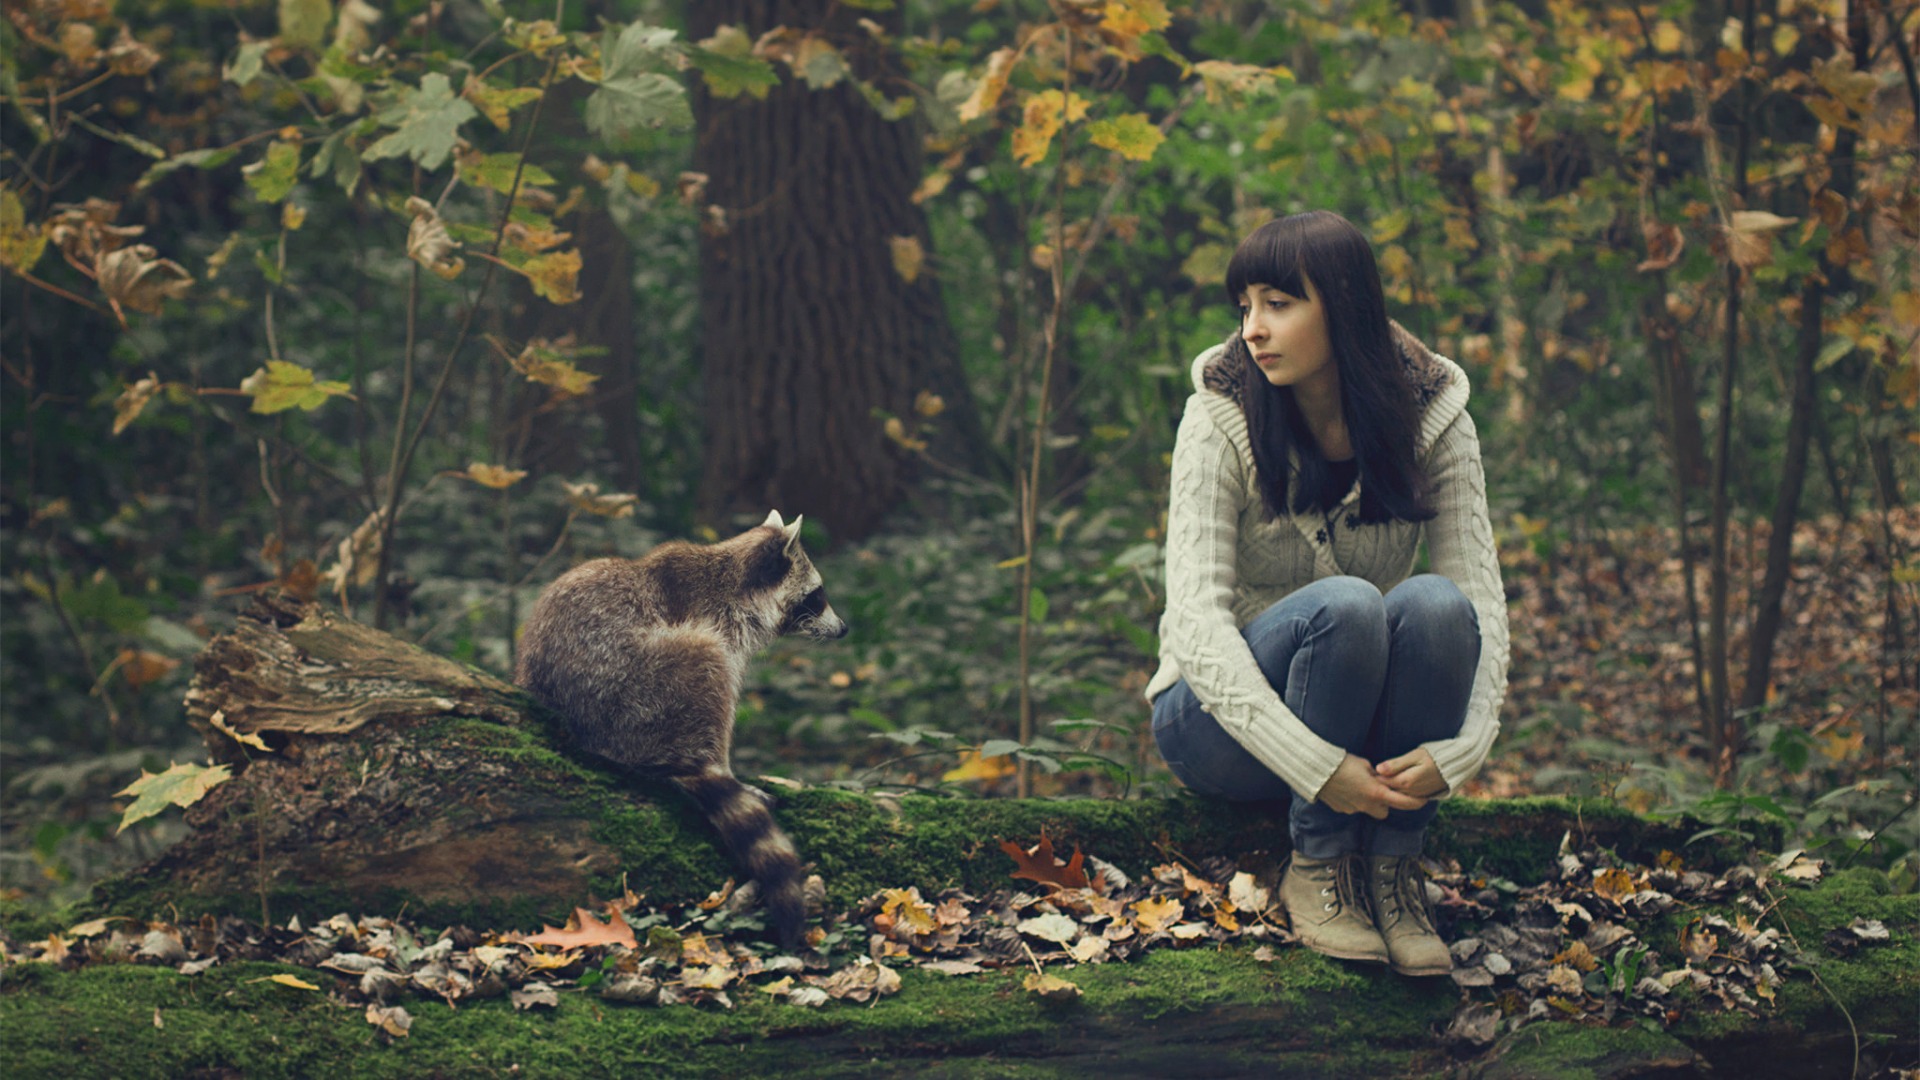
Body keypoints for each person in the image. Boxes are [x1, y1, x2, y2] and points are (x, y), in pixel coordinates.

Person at [1146, 209, 1509, 976]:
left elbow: (1482, 601)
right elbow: (1196, 625)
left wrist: (1466, 746)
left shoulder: (1435, 417)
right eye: (1245, 307)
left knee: (1439, 606)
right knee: (1347, 603)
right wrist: (1314, 766)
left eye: (1278, 304)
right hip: (1212, 725)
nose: (1252, 329)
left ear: (1342, 307)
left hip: (1354, 722)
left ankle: (1392, 871)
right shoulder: (1219, 416)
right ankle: (1316, 863)